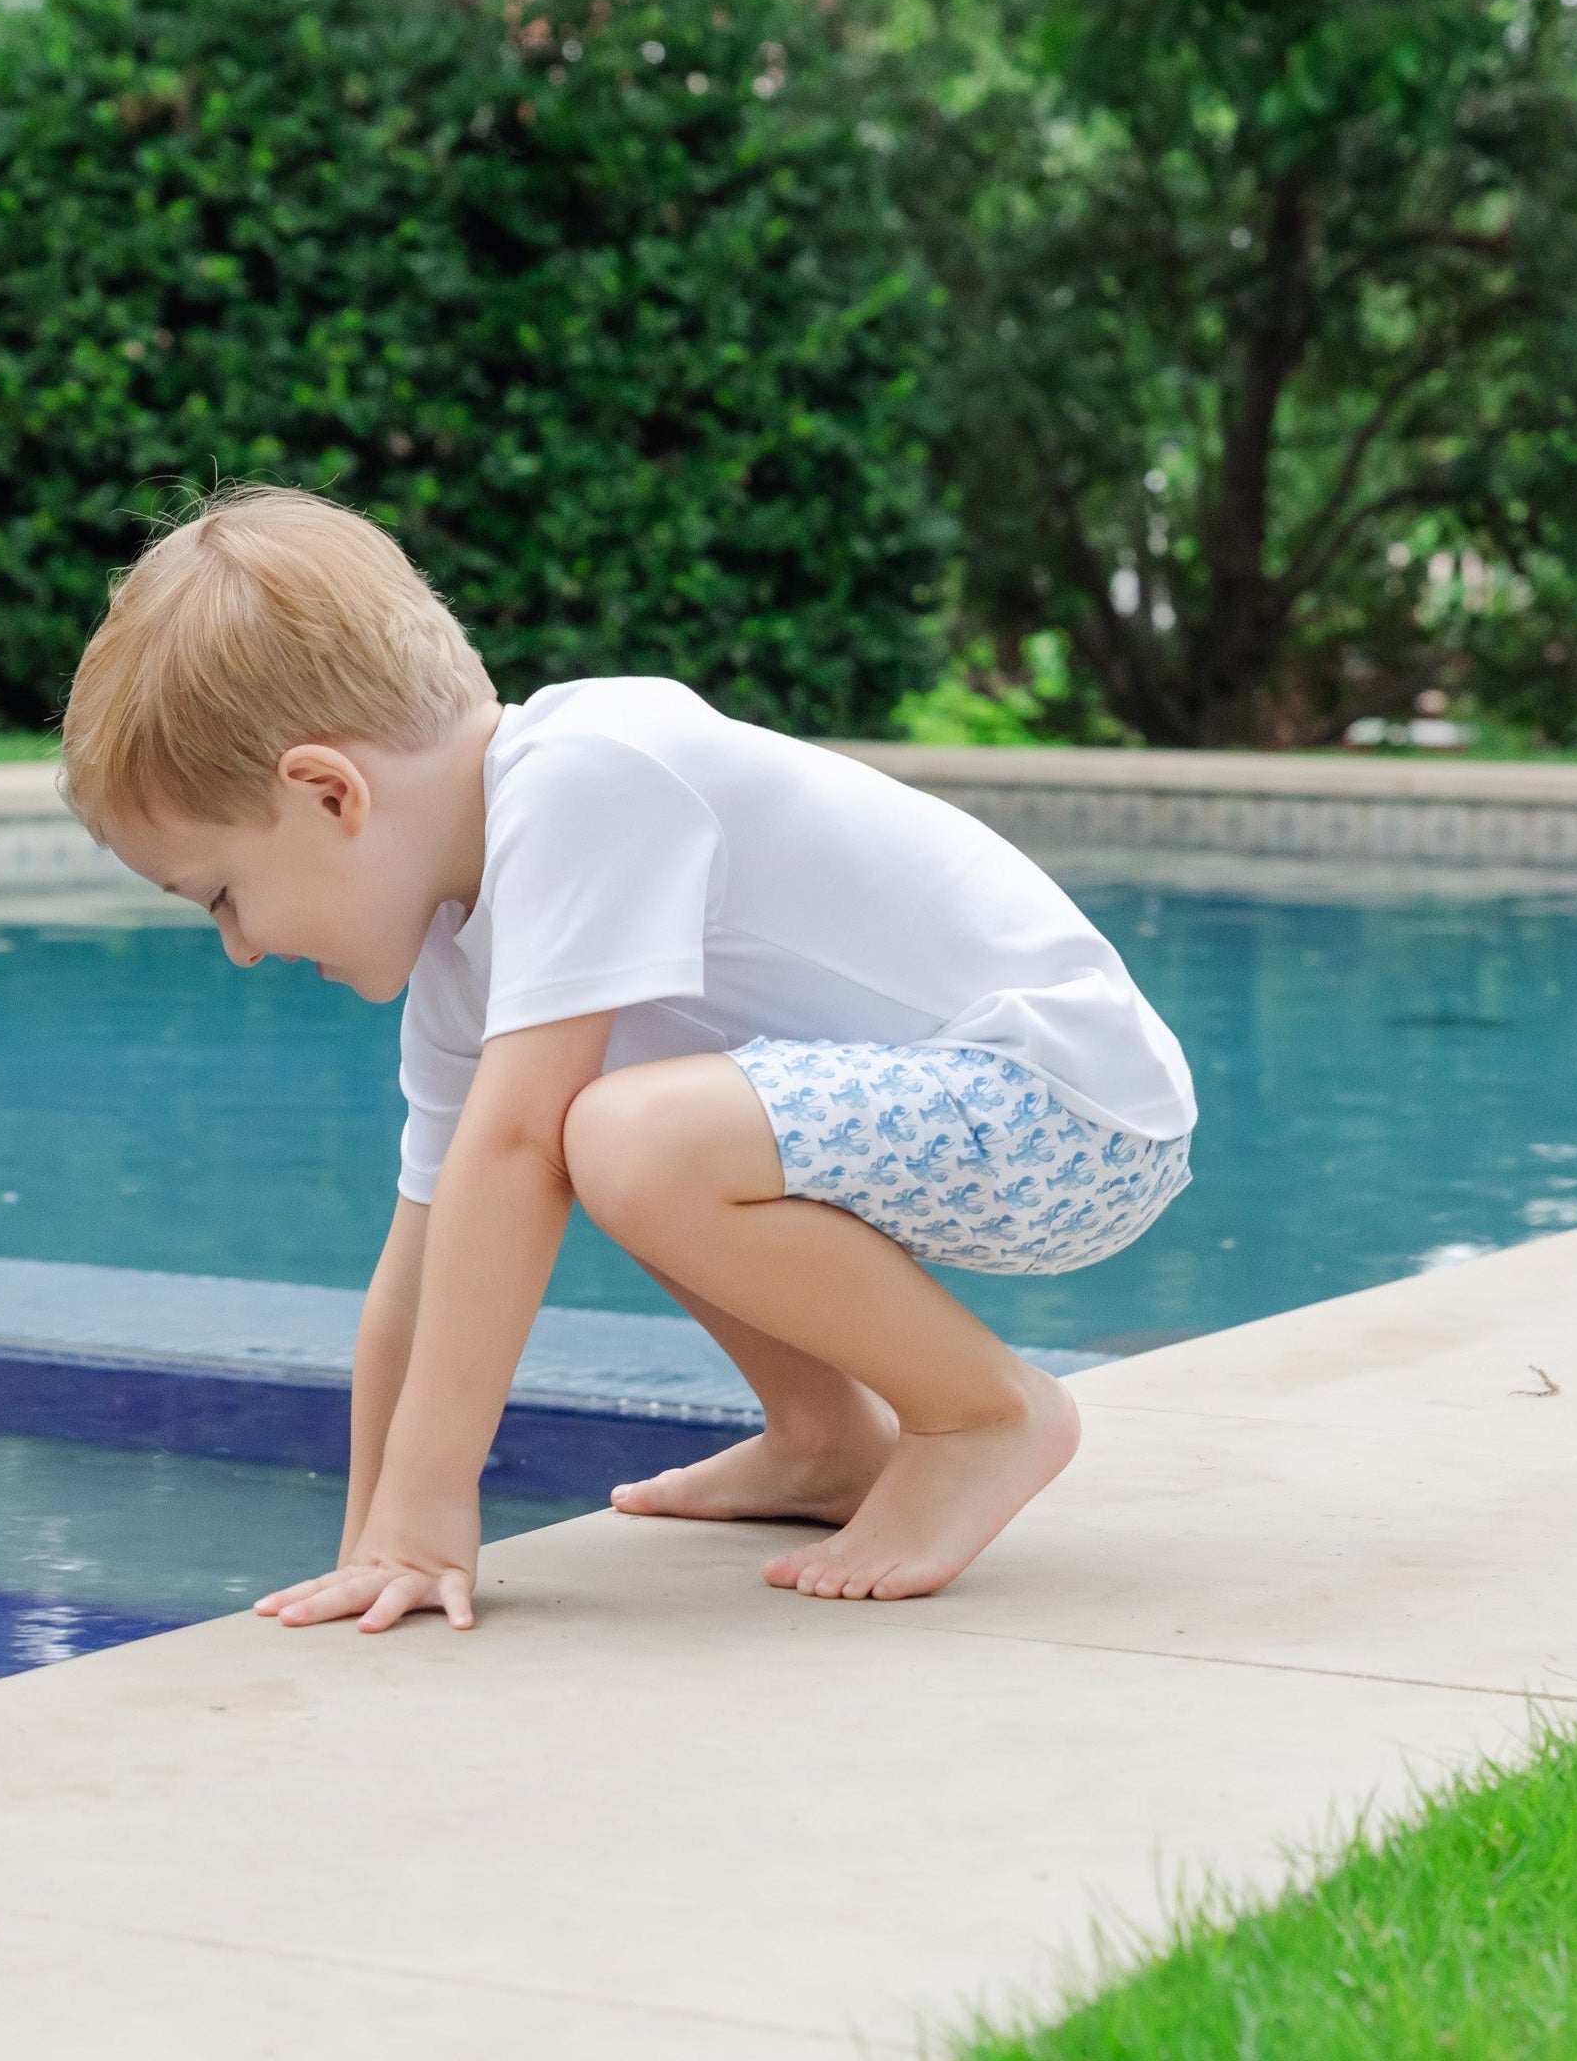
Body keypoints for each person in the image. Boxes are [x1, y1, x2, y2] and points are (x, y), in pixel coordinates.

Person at [60, 488, 1196, 1634]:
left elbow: (513, 1158)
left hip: (1068, 1110)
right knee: (600, 1131)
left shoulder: (586, 775)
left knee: (609, 1134)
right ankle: (827, 1441)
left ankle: (983, 1416)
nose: (241, 948)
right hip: (969, 1125)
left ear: (328, 792)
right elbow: (420, 1262)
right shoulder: (464, 953)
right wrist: (375, 1548)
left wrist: (431, 1503)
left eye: (221, 896)